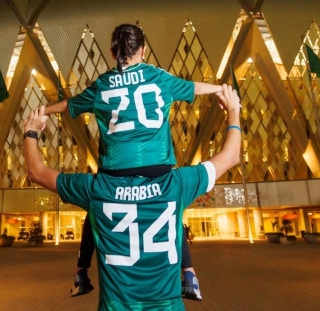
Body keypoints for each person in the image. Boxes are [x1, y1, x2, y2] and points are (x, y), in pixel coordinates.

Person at [44, 24, 222, 300]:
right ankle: (188, 274)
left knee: (95, 212)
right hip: (157, 165)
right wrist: (219, 90)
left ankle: (81, 272)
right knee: (173, 211)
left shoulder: (102, 83)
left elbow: (71, 105)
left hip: (116, 167)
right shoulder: (157, 77)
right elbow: (192, 88)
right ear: (143, 50)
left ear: (112, 51)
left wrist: (44, 111)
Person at [24, 85, 240, 310]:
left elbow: (36, 172)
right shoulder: (175, 184)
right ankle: (190, 274)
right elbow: (231, 156)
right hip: (167, 305)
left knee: (93, 218)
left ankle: (81, 271)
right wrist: (233, 111)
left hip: (117, 305)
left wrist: (31, 132)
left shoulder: (98, 189)